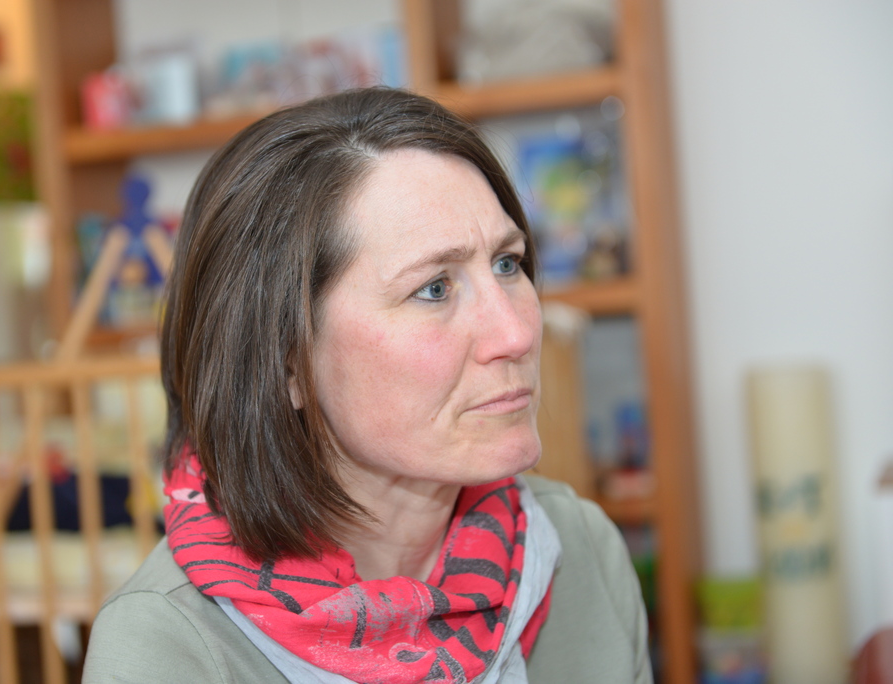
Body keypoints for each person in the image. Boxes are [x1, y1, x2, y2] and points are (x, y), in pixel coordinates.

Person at [83, 87, 651, 684]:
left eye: (507, 263)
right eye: (434, 288)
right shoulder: (167, 648)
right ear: (286, 364)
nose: (516, 333)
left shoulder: (580, 551)